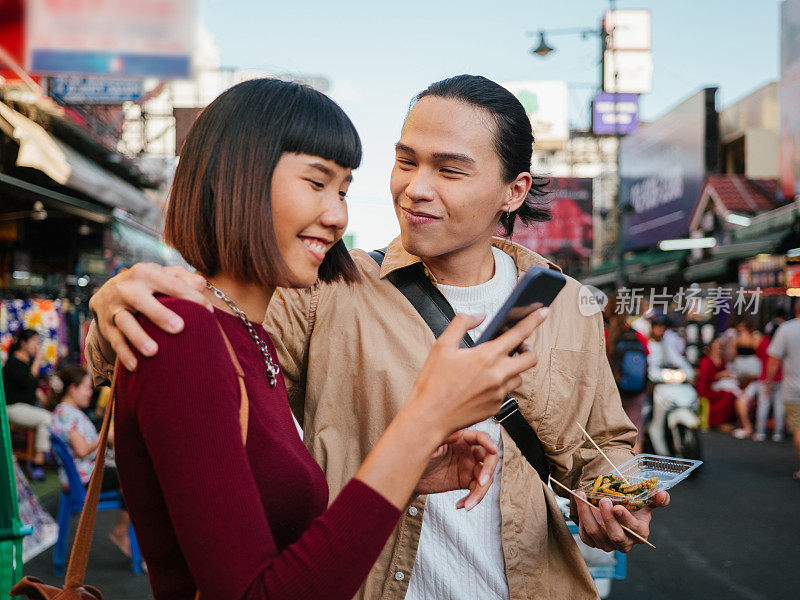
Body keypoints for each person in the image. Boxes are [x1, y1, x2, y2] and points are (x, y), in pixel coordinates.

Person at [86, 75, 668, 600]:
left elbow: (602, 443)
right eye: (406, 161)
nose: (415, 187)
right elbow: (213, 338)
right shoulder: (328, 285)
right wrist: (114, 309)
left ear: (512, 192)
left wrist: (619, 498)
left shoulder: (565, 304)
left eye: (450, 169)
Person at [50, 364, 131, 557]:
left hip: (85, 473)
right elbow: (82, 450)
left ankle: (124, 531)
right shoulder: (66, 415)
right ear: (72, 389)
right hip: (84, 478)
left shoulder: (66, 412)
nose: (89, 393)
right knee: (134, 478)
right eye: (86, 388)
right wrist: (105, 434)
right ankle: (120, 532)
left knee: (131, 474)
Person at [2, 329, 52, 480]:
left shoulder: (26, 363)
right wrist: (38, 360)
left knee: (50, 416)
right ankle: (37, 460)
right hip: (12, 408)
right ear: (23, 344)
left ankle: (38, 456)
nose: (37, 345)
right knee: (46, 418)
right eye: (34, 342)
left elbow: (31, 388)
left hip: (25, 407)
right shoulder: (13, 362)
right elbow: (28, 382)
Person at [605, 296, 649, 454]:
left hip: (613, 390)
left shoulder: (605, 334)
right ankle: (636, 475)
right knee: (636, 433)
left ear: (608, 311)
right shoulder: (637, 335)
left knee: (612, 436)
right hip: (637, 389)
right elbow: (647, 357)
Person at [765, 301, 800, 480]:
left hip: (794, 389)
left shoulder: (786, 329)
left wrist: (768, 382)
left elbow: (773, 359)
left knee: (798, 429)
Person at [733, 325, 785, 442]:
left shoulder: (765, 342)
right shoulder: (781, 343)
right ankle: (778, 433)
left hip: (765, 378)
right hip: (779, 378)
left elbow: (759, 355)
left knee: (764, 406)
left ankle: (761, 432)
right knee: (778, 406)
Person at [696, 338, 737, 429]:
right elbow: (704, 377)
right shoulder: (705, 361)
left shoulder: (722, 360)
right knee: (726, 395)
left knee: (729, 394)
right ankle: (716, 422)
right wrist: (719, 375)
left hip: (716, 386)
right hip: (706, 388)